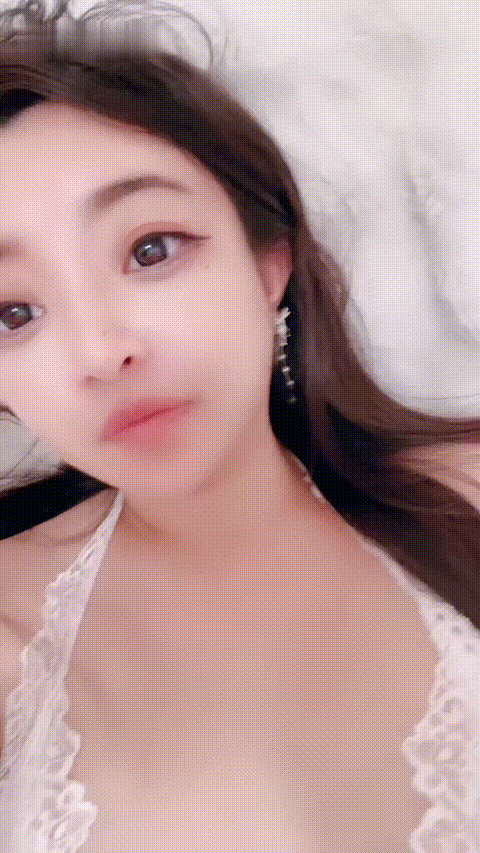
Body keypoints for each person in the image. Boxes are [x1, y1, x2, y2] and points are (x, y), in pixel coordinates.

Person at [0, 2, 478, 851]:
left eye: (151, 249)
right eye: (13, 313)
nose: (102, 350)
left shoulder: (466, 495)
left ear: (268, 266)